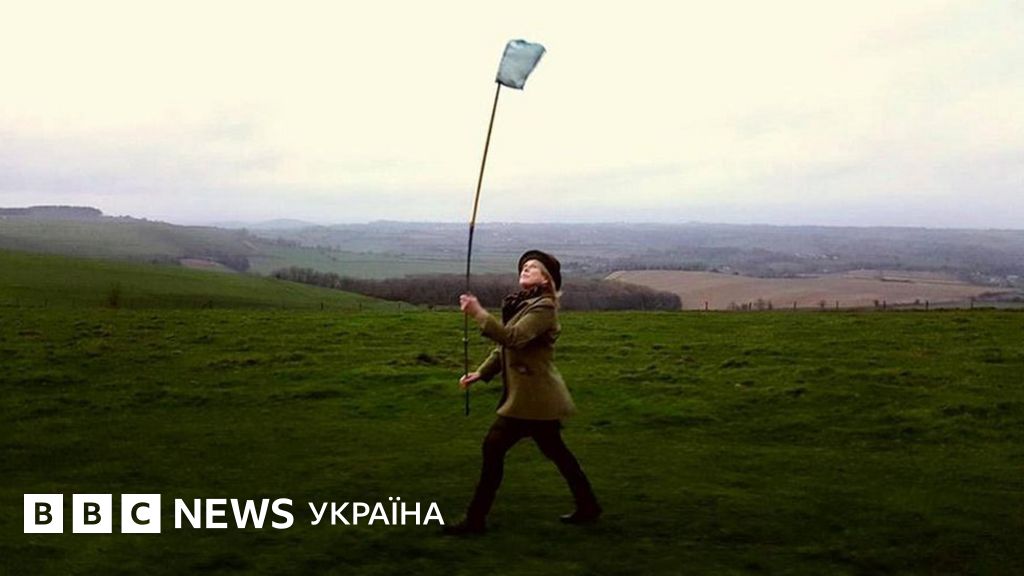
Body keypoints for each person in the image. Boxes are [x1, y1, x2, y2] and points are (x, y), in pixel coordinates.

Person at [444, 249, 601, 536]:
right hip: (533, 399)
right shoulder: (523, 305)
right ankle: (588, 505)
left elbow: (513, 338)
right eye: (523, 266)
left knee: (494, 448)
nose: (525, 269)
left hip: (533, 399)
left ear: (546, 279)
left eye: (532, 267)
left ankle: (475, 520)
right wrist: (482, 373)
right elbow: (504, 348)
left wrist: (478, 313)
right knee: (557, 453)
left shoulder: (544, 308)